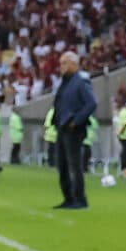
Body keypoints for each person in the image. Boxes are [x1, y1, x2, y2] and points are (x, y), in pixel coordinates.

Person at [50, 52, 95, 209]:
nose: (61, 67)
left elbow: (91, 103)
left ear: (74, 64)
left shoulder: (81, 82)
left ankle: (80, 199)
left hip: (73, 129)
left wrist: (76, 121)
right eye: (61, 63)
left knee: (74, 166)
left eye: (64, 63)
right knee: (61, 165)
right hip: (62, 127)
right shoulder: (65, 83)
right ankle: (68, 198)